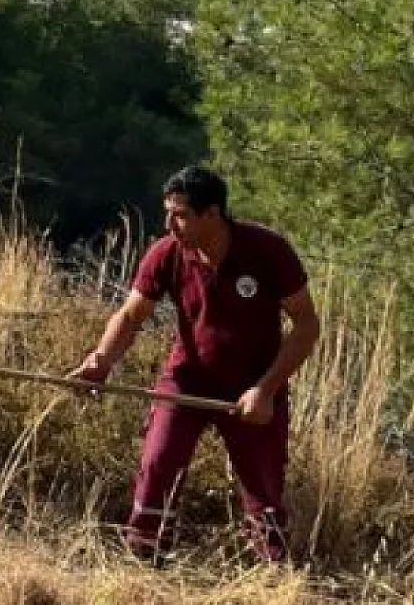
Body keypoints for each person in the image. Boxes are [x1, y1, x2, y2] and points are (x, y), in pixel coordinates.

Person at [70, 166, 320, 563]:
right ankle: (143, 561)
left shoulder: (267, 250)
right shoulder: (167, 252)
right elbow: (132, 316)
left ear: (213, 214)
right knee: (158, 461)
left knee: (264, 486)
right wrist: (101, 361)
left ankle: (274, 577)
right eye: (168, 212)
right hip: (186, 381)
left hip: (254, 387)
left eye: (180, 214)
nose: (170, 223)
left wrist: (266, 390)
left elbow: (306, 325)